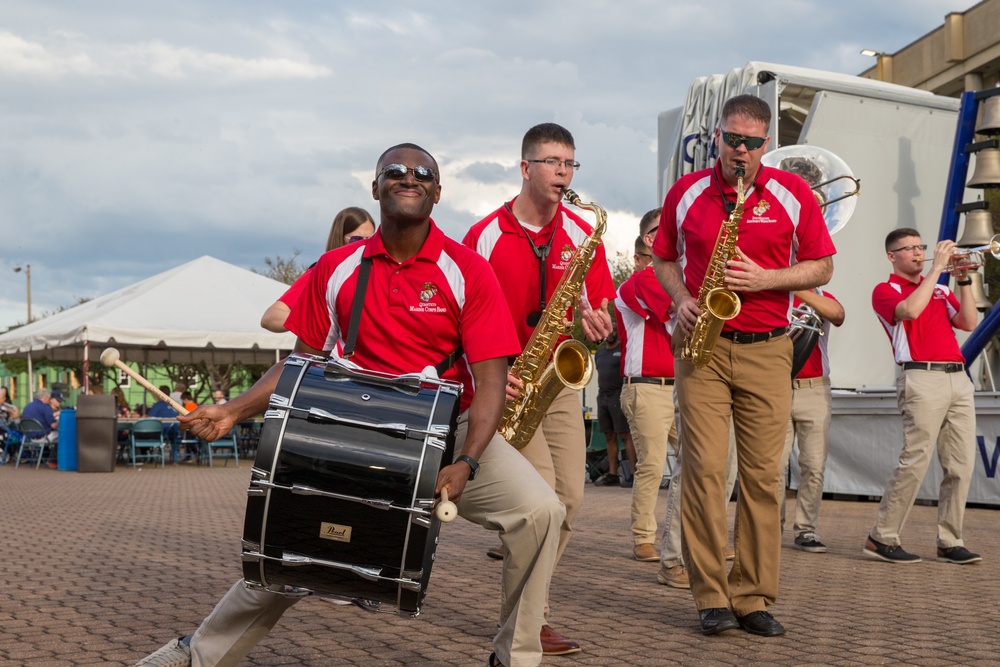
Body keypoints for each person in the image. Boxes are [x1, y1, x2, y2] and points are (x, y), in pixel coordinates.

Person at [135, 143, 563, 667]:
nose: (410, 178)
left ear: (437, 191)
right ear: (376, 186)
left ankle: (513, 658)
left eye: (422, 173)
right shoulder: (337, 267)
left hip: (447, 433)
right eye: (396, 171)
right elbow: (299, 364)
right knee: (291, 546)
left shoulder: (468, 271)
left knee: (541, 512)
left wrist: (468, 462)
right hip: (349, 432)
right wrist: (232, 411)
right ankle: (196, 655)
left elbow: (491, 383)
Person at [652, 94, 835, 637]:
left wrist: (767, 279)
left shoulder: (793, 192)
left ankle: (751, 595)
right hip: (701, 348)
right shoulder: (685, 193)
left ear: (768, 145)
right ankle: (710, 595)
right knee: (705, 473)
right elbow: (663, 257)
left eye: (754, 143)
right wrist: (681, 297)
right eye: (734, 140)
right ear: (717, 137)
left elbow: (822, 265)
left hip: (769, 347)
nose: (742, 152)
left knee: (763, 478)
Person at [463, 122, 615, 656]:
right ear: (525, 167)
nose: (563, 173)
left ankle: (529, 611)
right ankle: (529, 623)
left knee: (571, 497)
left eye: (570, 163)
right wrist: (492, 374)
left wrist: (597, 323)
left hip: (558, 379)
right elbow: (464, 317)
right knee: (544, 498)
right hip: (509, 381)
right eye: (552, 162)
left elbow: (601, 307)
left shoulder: (581, 231)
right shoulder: (483, 234)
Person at [864, 229, 981, 565]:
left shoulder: (942, 289)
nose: (918, 252)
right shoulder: (885, 290)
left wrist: (963, 280)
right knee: (915, 460)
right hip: (921, 376)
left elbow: (969, 322)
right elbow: (911, 311)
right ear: (892, 256)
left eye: (921, 247)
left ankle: (950, 539)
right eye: (910, 248)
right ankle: (882, 536)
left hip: (957, 378)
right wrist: (936, 269)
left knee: (961, 464)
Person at [615, 208, 676, 562]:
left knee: (699, 465)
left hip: (677, 385)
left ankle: (689, 539)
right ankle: (643, 538)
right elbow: (677, 310)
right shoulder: (642, 278)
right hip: (647, 387)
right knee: (652, 465)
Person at [779, 289, 845, 553]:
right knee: (773, 466)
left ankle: (806, 529)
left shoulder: (820, 295)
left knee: (814, 465)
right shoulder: (772, 295)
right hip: (774, 386)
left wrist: (799, 288)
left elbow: (838, 315)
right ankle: (769, 528)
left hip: (814, 387)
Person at [260, 207, 376, 333]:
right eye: (356, 239)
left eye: (370, 240)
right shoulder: (324, 272)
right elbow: (270, 318)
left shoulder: (379, 273)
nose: (363, 245)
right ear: (340, 238)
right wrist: (318, 323)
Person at [593, 326, 635, 488]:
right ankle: (612, 474)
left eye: (613, 331)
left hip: (618, 396)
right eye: (608, 331)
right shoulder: (600, 353)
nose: (610, 334)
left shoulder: (622, 350)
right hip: (602, 397)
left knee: (625, 435)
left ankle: (632, 474)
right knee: (609, 436)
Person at [22, 388, 60, 467]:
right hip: (43, 436)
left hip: (29, 438)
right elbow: (53, 425)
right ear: (46, 397)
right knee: (62, 437)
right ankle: (52, 461)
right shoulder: (45, 407)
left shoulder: (27, 406)